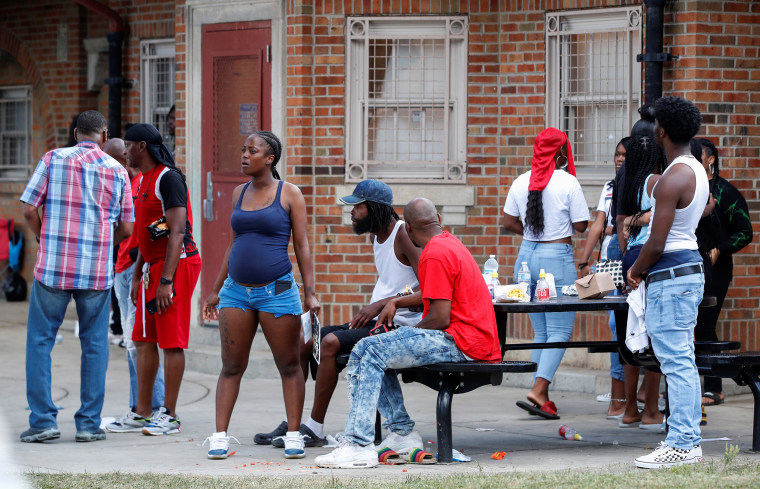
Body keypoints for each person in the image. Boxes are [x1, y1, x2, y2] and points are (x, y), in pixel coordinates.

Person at [315, 198, 501, 469]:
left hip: (462, 341)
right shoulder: (450, 243)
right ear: (438, 217)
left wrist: (402, 337)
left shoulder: (433, 253)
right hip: (472, 338)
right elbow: (435, 294)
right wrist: (397, 303)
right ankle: (401, 434)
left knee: (370, 348)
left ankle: (358, 444)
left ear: (409, 229)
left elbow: (439, 318)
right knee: (375, 347)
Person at [257, 179, 423, 450]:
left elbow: (427, 283)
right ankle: (295, 422)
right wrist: (377, 307)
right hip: (377, 318)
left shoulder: (402, 234)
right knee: (307, 340)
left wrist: (382, 304)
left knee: (331, 343)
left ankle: (314, 427)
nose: (352, 212)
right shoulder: (375, 236)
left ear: (373, 208)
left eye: (357, 207)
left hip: (400, 322)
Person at [202, 131, 320, 459]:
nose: (244, 155)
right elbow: (233, 243)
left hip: (278, 292)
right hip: (236, 293)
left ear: (269, 158)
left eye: (251, 151)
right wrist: (214, 290)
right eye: (243, 149)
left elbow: (302, 245)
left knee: (289, 364)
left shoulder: (289, 194)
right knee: (231, 365)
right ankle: (220, 436)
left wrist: (310, 293)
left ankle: (294, 434)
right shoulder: (239, 193)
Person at [19, 110, 133, 443]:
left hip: (53, 268)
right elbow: (126, 227)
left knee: (40, 342)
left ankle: (43, 422)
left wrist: (44, 239)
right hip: (95, 272)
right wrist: (103, 246)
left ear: (75, 133)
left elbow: (28, 208)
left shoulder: (53, 159)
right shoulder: (117, 170)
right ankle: (87, 424)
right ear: (104, 134)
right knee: (95, 346)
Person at [628, 95, 708, 468]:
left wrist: (635, 270)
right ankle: (685, 440)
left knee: (675, 361)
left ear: (660, 131)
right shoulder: (695, 168)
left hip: (671, 276)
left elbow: (656, 242)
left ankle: (683, 442)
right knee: (681, 360)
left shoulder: (674, 176)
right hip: (686, 271)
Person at [502, 127, 589, 419]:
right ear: (562, 153)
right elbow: (581, 226)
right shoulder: (568, 182)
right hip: (556, 258)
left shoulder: (520, 181)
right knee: (560, 330)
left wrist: (530, 231)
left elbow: (508, 221)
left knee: (542, 330)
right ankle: (538, 389)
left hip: (525, 256)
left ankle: (542, 396)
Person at [124, 123, 202, 437]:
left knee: (171, 342)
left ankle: (169, 415)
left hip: (176, 266)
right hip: (152, 267)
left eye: (128, 145)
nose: (125, 151)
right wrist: (136, 274)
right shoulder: (143, 179)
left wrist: (166, 281)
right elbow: (150, 232)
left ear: (141, 146)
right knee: (143, 339)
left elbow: (177, 232)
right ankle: (143, 412)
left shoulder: (168, 178)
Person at [102, 138, 166, 433]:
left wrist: (138, 264)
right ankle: (141, 405)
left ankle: (150, 407)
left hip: (133, 268)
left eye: (116, 157)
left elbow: (156, 226)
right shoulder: (122, 182)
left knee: (139, 343)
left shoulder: (142, 183)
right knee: (133, 343)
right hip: (123, 269)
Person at [694, 138, 753, 408]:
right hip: (690, 266)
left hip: (715, 269)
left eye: (700, 155)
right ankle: (687, 387)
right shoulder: (689, 187)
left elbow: (745, 232)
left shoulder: (725, 192)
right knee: (690, 326)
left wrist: (720, 250)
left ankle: (714, 388)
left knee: (705, 325)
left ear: (711, 160)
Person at [616, 135, 666, 431]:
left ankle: (629, 408)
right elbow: (662, 215)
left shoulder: (626, 182)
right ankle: (650, 411)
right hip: (650, 256)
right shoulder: (656, 181)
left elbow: (623, 225)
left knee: (631, 331)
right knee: (654, 333)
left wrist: (633, 221)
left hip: (631, 255)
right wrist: (643, 218)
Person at [577, 137, 629, 419]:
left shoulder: (641, 186)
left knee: (632, 326)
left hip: (631, 259)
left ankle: (634, 395)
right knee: (615, 324)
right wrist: (585, 260)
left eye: (624, 155)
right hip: (609, 261)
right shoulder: (609, 187)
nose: (619, 159)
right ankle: (618, 397)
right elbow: (598, 224)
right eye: (616, 154)